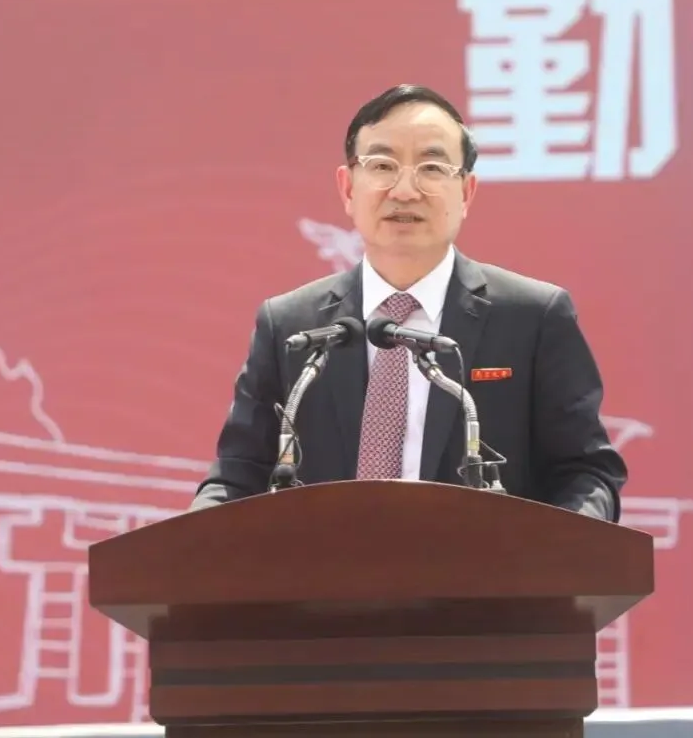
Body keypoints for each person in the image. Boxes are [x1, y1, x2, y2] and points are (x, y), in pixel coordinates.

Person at [189, 84, 627, 521]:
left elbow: (584, 472)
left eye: (432, 167)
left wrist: (559, 549)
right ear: (347, 188)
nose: (404, 190)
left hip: (485, 566)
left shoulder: (532, 317)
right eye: (382, 165)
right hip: (327, 565)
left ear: (466, 192)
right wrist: (186, 542)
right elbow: (239, 475)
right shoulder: (289, 324)